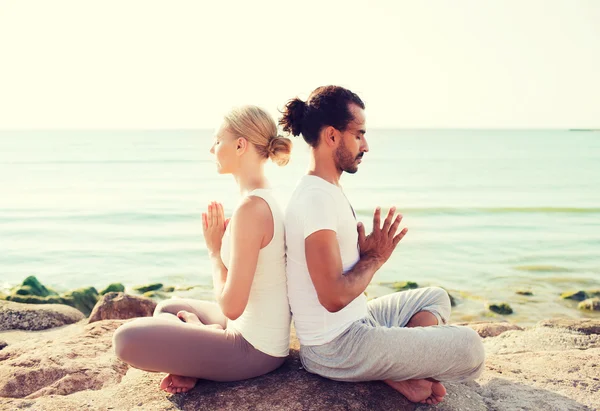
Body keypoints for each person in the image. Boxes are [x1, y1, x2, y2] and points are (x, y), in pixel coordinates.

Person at [280, 86, 485, 406]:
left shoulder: (325, 189)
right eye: (358, 134)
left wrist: (360, 257)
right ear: (332, 136)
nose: (366, 145)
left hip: (358, 321)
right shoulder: (315, 199)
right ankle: (398, 367)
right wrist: (374, 259)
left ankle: (400, 370)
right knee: (471, 347)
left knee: (435, 297)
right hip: (335, 346)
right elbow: (332, 297)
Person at [113, 105, 292, 394]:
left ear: (240, 145)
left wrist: (214, 250)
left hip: (253, 349)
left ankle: (200, 347)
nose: (212, 149)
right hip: (244, 330)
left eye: (217, 140)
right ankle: (196, 357)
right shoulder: (261, 199)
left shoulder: (252, 209)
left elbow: (232, 305)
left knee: (125, 339)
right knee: (169, 307)